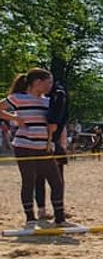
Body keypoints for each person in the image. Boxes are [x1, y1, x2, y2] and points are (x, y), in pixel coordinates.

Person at [0, 69, 68, 227]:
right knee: (29, 180)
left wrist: (54, 128)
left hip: (44, 147)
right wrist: (14, 118)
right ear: (38, 82)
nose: (51, 85)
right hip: (24, 145)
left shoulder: (48, 101)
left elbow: (55, 118)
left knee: (56, 182)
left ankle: (60, 218)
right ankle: (30, 217)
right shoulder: (18, 98)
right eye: (48, 82)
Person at [33, 79, 68, 220]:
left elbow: (61, 127)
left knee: (56, 180)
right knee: (43, 179)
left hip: (55, 144)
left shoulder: (55, 99)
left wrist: (62, 145)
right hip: (43, 144)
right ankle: (42, 210)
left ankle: (58, 209)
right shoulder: (43, 102)